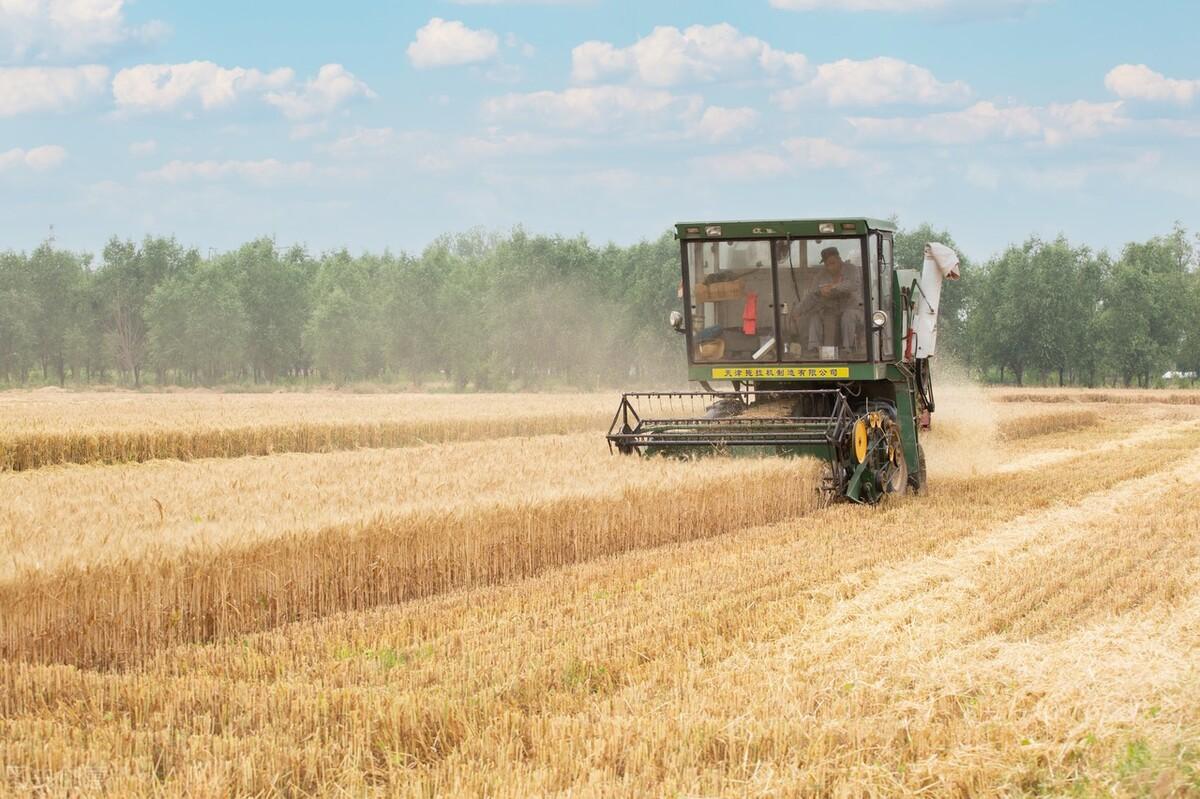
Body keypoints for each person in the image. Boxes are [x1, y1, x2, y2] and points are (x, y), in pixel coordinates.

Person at [801, 246, 863, 358]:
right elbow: (812, 293)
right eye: (827, 264)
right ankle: (814, 349)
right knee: (815, 317)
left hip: (854, 309)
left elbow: (852, 285)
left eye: (832, 263)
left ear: (839, 259)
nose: (829, 267)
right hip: (831, 311)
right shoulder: (821, 275)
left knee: (847, 316)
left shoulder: (852, 269)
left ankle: (847, 350)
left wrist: (833, 287)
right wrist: (799, 311)